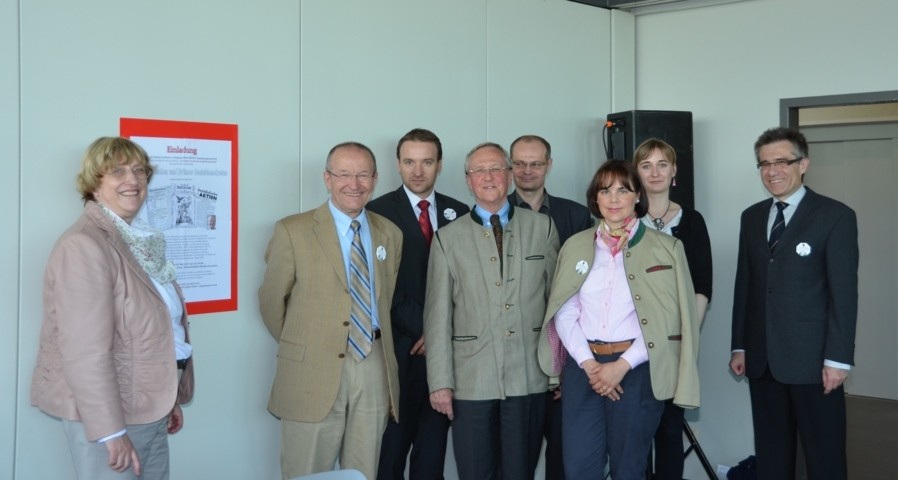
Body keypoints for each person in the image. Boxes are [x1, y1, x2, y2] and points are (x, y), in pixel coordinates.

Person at [31, 137, 194, 480]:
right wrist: (110, 432)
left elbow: (158, 328)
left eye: (139, 171)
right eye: (117, 171)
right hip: (112, 418)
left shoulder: (140, 240)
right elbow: (84, 351)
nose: (132, 180)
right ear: (94, 183)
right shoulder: (85, 245)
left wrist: (169, 397)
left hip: (146, 407)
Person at [538, 160, 700, 480]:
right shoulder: (575, 246)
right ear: (594, 198)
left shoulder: (667, 249)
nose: (614, 198)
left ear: (637, 196)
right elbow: (565, 312)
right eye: (605, 190)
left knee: (629, 469)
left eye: (623, 190)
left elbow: (670, 320)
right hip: (583, 368)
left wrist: (621, 366)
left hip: (638, 370)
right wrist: (591, 366)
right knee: (579, 468)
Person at [258, 142, 403, 480]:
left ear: (375, 179)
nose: (354, 184)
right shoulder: (292, 230)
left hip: (373, 366)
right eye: (344, 174)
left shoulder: (389, 234)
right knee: (307, 471)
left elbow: (387, 297)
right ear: (327, 178)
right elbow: (271, 302)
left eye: (363, 174)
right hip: (312, 369)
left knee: (364, 470)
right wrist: (308, 343)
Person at [424, 142, 559, 480]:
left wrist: (557, 371)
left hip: (528, 377)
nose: (488, 177)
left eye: (496, 169)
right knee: (475, 472)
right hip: (471, 381)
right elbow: (437, 318)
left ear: (510, 176)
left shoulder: (542, 228)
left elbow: (558, 307)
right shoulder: (446, 239)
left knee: (519, 472)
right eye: (479, 171)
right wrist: (440, 382)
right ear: (468, 180)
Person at [730, 127, 858, 480]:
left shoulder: (835, 216)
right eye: (765, 164)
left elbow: (843, 295)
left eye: (782, 162)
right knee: (772, 455)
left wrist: (837, 359)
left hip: (815, 363)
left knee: (824, 455)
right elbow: (746, 285)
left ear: (803, 164)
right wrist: (740, 345)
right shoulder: (752, 217)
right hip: (762, 360)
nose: (773, 171)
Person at [367, 128, 469, 480]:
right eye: (409, 162)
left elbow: (470, 285)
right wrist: (429, 328)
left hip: (444, 362)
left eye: (426, 161)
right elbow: (380, 286)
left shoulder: (461, 212)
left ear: (440, 165)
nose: (418, 171)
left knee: (432, 457)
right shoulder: (375, 213)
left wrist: (443, 331)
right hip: (398, 354)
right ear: (397, 165)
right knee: (390, 456)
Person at [507, 134, 593, 480]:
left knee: (564, 460)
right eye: (520, 163)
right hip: (513, 365)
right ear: (510, 166)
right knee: (516, 464)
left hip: (565, 360)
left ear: (549, 165)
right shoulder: (492, 216)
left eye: (536, 163)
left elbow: (587, 293)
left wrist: (569, 364)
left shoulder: (576, 215)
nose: (528, 171)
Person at [633, 138, 712, 480]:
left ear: (674, 171)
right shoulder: (624, 221)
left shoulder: (692, 221)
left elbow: (702, 289)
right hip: (631, 351)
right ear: (636, 172)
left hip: (674, 349)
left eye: (662, 164)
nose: (655, 172)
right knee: (634, 439)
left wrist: (685, 345)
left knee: (668, 435)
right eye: (646, 165)